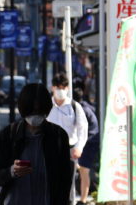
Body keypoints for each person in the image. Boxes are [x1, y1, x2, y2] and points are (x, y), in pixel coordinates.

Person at [0, 83, 73, 205]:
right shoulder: (8, 135)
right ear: (23, 109)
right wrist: (11, 171)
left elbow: (65, 178)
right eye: (32, 111)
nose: (35, 115)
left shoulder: (58, 136)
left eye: (40, 112)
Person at [47, 73, 89, 205]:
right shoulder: (46, 106)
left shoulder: (74, 106)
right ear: (52, 88)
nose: (61, 90)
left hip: (69, 151)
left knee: (67, 185)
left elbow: (83, 128)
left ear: (67, 88)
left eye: (63, 87)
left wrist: (79, 147)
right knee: (50, 183)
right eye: (58, 87)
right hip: (50, 149)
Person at [72, 83, 99, 205]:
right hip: (89, 141)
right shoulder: (84, 106)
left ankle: (83, 200)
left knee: (84, 171)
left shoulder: (80, 110)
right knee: (83, 170)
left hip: (89, 142)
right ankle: (82, 199)